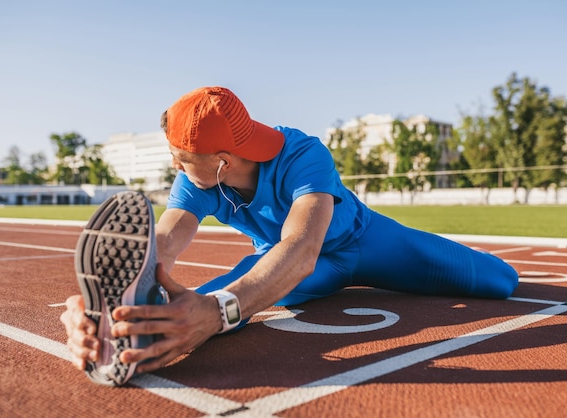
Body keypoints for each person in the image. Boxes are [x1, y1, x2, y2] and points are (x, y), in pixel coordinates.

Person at [61, 86, 518, 381]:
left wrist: (220, 311)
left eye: (180, 156)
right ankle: (127, 334)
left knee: (500, 281)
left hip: (365, 243)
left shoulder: (304, 154)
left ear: (223, 160)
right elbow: (166, 239)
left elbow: (301, 247)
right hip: (292, 266)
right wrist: (116, 307)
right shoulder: (195, 179)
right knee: (186, 313)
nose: (175, 165)